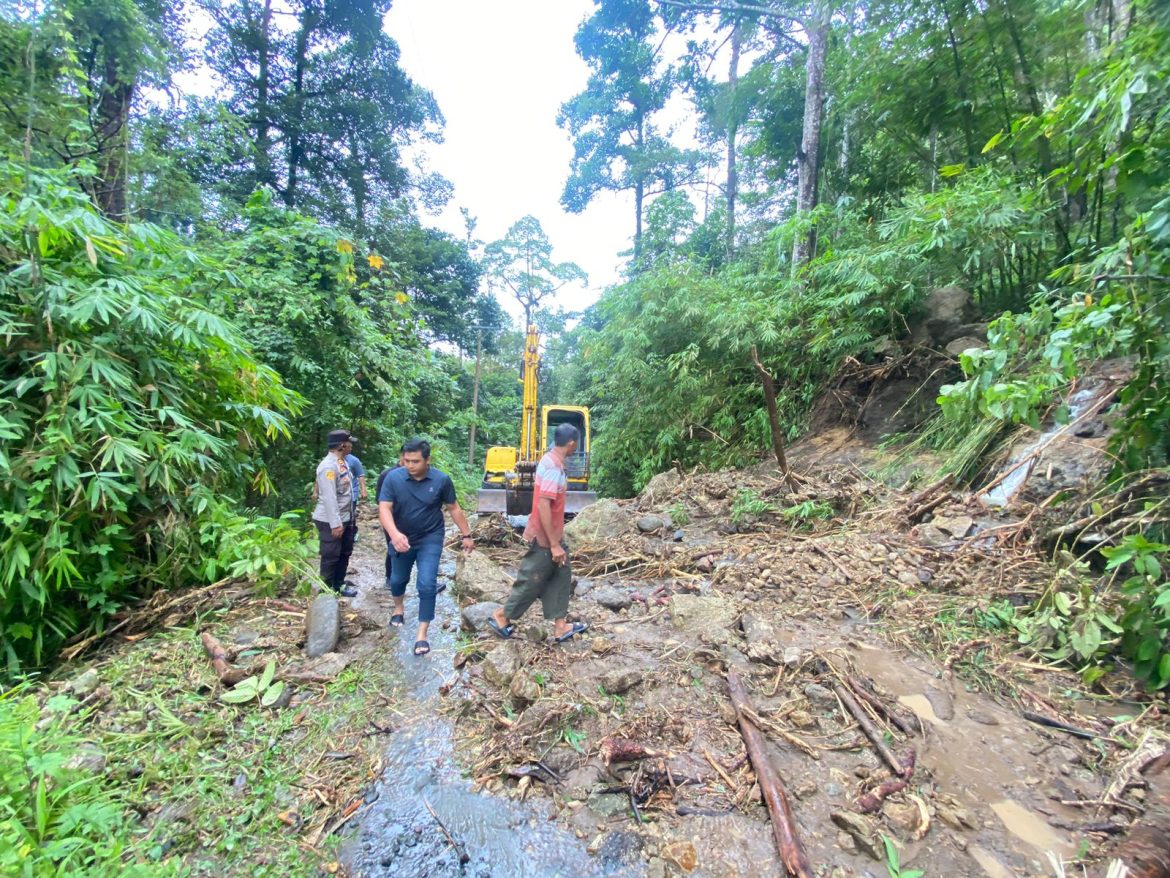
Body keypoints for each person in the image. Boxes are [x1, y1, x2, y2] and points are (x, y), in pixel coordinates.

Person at [489, 423, 589, 643]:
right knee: (532, 579)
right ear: (572, 444)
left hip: (552, 534)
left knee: (562, 573)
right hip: (545, 537)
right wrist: (553, 544)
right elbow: (544, 505)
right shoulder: (553, 467)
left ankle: (560, 626)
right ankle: (502, 615)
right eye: (576, 445)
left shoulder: (551, 461)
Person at [378, 439, 474, 656]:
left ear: (427, 460)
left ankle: (422, 633)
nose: (409, 465)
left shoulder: (441, 480)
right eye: (406, 460)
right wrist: (394, 535)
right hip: (401, 537)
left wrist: (466, 535)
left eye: (415, 461)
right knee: (397, 579)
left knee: (427, 583)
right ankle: (398, 608)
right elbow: (384, 508)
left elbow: (454, 508)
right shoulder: (393, 478)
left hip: (430, 536)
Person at [312, 429, 358, 598]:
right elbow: (330, 498)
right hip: (330, 520)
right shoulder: (328, 467)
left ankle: (338, 585)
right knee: (331, 556)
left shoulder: (341, 462)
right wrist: (336, 524)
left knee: (344, 553)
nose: (351, 445)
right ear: (342, 445)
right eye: (349, 442)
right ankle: (326, 591)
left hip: (346, 517)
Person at [343, 439, 367, 542]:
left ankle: (352, 533)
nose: (351, 449)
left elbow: (360, 476)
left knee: (351, 514)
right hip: (340, 494)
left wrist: (363, 490)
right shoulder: (334, 460)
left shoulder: (354, 460)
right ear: (344, 447)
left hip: (352, 492)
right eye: (350, 447)